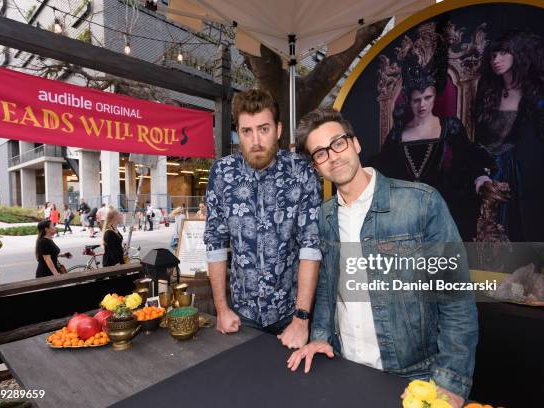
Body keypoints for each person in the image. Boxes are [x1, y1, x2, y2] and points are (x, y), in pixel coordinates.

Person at [288, 108, 478, 408]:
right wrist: (321, 336)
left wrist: (450, 381)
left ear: (356, 143)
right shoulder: (324, 217)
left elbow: (456, 301)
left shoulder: (422, 204)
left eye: (338, 143)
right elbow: (327, 288)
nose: (333, 156)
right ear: (316, 166)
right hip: (345, 368)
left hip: (413, 378)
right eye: (320, 153)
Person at [203, 89, 322, 348]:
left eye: (264, 129)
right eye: (247, 131)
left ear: (278, 130)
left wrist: (301, 319)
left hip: (291, 314)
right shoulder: (222, 173)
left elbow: (310, 247)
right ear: (238, 133)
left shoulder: (301, 172)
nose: (256, 140)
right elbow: (215, 244)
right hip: (241, 315)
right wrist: (222, 310)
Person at [369, 36, 494, 241]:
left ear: (435, 97)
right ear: (409, 102)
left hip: (444, 206)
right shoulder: (397, 134)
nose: (422, 105)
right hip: (406, 211)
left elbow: (469, 160)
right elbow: (383, 170)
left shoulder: (450, 127)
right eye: (416, 100)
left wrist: (481, 179)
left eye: (427, 98)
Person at [473, 29, 544, 241]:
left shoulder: (534, 92)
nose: (496, 60)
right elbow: (477, 138)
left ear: (518, 54)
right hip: (482, 166)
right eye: (492, 55)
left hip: (512, 172)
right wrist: (478, 171)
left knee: (511, 231)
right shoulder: (488, 89)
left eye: (503, 53)